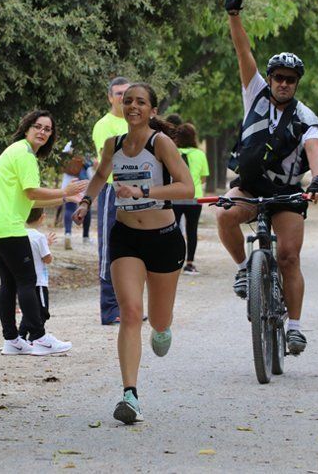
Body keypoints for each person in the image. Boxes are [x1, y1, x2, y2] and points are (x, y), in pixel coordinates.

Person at [217, 0, 318, 356]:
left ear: (297, 84)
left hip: (287, 194)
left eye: (289, 80)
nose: (282, 83)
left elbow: (314, 148)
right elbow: (241, 48)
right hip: (250, 185)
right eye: (278, 77)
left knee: (289, 256)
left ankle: (294, 327)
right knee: (225, 212)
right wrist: (234, 12)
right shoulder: (255, 92)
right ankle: (246, 267)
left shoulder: (305, 116)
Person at [73, 82, 194, 424]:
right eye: (128, 101)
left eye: (141, 102)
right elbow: (99, 175)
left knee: (157, 319)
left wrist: (142, 190)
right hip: (125, 236)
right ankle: (130, 395)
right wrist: (86, 202)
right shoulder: (114, 144)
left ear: (152, 110)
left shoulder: (161, 144)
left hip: (164, 239)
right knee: (130, 311)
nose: (133, 106)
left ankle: (162, 328)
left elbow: (187, 187)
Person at [0, 110, 87, 356]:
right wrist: (63, 191)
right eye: (38, 126)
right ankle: (39, 337)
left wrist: (65, 196)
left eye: (48, 129)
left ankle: (12, 340)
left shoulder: (16, 151)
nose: (43, 132)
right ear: (26, 128)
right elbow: (33, 192)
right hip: (7, 227)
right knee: (27, 281)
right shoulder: (24, 155)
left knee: (9, 282)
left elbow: (30, 200)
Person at [92, 77, 131, 325]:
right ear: (110, 97)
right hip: (113, 191)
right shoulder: (104, 125)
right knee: (109, 248)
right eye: (118, 94)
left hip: (138, 192)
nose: (122, 97)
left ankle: (129, 307)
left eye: (127, 93)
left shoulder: (137, 121)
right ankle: (109, 309)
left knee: (133, 249)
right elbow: (108, 162)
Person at [17, 208, 65, 351]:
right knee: (42, 311)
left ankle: (22, 335)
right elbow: (47, 258)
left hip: (26, 281)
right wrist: (48, 251)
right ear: (42, 217)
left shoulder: (21, 235)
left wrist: (46, 244)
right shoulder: (39, 237)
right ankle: (36, 337)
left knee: (29, 311)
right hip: (40, 282)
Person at [172, 122, 209, 275]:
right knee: (192, 230)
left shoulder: (172, 152)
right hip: (195, 199)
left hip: (175, 197)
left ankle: (174, 260)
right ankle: (190, 263)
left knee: (173, 230)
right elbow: (203, 179)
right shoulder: (200, 154)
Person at [60, 142, 93, 250]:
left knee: (69, 207)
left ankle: (68, 233)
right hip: (83, 180)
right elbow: (90, 163)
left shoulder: (68, 144)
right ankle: (85, 237)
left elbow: (62, 160)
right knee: (86, 206)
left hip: (69, 179)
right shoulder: (86, 142)